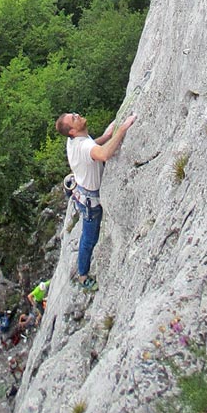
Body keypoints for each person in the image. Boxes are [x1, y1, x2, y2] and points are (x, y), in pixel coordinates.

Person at [55, 111, 136, 290]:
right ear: (72, 132)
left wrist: (107, 136)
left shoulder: (76, 140)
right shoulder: (82, 145)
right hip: (90, 202)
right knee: (89, 239)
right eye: (73, 118)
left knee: (88, 236)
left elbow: (92, 148)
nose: (77, 115)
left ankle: (82, 273)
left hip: (82, 191)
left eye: (74, 114)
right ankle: (83, 276)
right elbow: (104, 154)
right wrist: (122, 128)